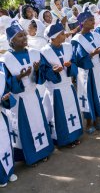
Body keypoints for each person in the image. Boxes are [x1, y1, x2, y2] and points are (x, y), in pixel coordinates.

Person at [1, 23, 54, 166]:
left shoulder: (34, 53)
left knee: (38, 123)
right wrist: (18, 78)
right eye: (20, 36)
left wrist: (37, 70)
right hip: (20, 101)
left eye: (24, 34)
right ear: (11, 41)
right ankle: (29, 157)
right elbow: (4, 84)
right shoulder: (6, 59)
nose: (24, 37)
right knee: (25, 128)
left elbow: (43, 74)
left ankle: (43, 151)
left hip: (34, 96)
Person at [40, 21, 83, 147]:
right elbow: (43, 71)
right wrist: (52, 71)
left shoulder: (68, 47)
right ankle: (63, 139)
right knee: (60, 116)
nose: (65, 35)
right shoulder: (44, 51)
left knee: (72, 112)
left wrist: (70, 66)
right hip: (56, 89)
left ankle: (74, 135)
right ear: (53, 37)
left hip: (68, 86)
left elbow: (74, 61)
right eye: (62, 34)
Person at [71, 8, 100, 134]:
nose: (93, 22)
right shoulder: (77, 39)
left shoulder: (95, 35)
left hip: (97, 69)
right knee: (88, 96)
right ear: (82, 23)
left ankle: (97, 120)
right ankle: (88, 123)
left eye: (93, 20)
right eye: (90, 20)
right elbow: (78, 59)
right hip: (86, 72)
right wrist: (92, 53)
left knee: (98, 94)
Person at [0, 71, 17, 188]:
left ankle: (9, 171)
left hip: (1, 117)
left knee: (5, 144)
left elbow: (6, 97)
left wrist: (5, 99)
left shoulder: (1, 76)